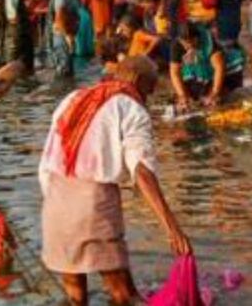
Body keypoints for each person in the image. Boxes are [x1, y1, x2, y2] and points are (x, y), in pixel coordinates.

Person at [38, 56, 191, 306]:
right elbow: (141, 171)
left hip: (55, 198)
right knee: (123, 295)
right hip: (93, 203)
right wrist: (172, 228)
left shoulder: (74, 97)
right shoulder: (131, 108)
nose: (148, 97)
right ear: (139, 82)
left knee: (75, 295)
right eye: (150, 89)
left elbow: (48, 157)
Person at [170, 24, 244, 109]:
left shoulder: (208, 41)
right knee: (191, 95)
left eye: (192, 41)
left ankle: (223, 90)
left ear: (197, 37)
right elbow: (175, 72)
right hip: (197, 70)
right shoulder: (177, 45)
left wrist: (214, 93)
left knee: (216, 98)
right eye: (186, 43)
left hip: (222, 70)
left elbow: (219, 68)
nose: (189, 45)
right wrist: (182, 95)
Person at [50, 0, 93, 77]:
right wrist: (67, 36)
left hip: (65, 34)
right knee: (64, 71)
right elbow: (60, 15)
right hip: (62, 36)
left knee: (67, 69)